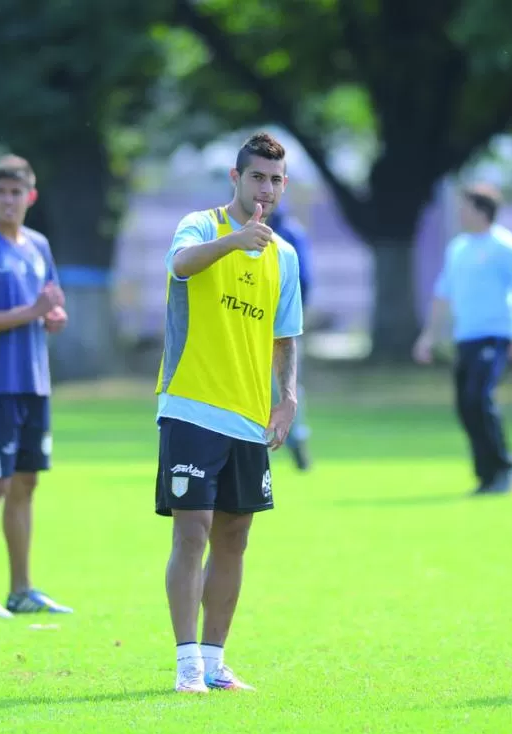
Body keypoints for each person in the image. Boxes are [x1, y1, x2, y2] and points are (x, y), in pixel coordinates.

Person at [154, 132, 303, 693]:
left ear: (283, 185)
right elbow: (180, 266)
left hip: (247, 417)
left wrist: (286, 399)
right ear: (234, 179)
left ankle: (216, 662)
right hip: (191, 405)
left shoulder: (285, 256)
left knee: (235, 538)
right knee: (191, 533)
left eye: (274, 180)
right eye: (256, 177)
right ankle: (186, 662)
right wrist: (236, 241)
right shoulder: (202, 225)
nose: (265, 188)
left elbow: (285, 338)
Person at [0, 155, 72, 618]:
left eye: (16, 192)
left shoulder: (38, 246)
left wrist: (51, 316)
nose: (8, 200)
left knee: (26, 482)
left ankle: (21, 590)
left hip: (34, 384)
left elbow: (49, 304)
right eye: (0, 192)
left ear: (31, 196)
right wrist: (30, 312)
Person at [412, 183, 512, 494]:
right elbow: (443, 295)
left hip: (496, 336)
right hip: (466, 337)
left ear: (481, 210)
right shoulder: (458, 248)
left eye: (465, 207)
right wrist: (428, 336)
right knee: (465, 406)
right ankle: (486, 475)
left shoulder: (505, 245)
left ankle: (505, 466)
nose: (459, 212)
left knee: (479, 398)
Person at [268, 205, 313, 471]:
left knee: (285, 385)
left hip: (280, 323)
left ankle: (296, 440)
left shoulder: (289, 234)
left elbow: (304, 279)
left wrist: (291, 316)